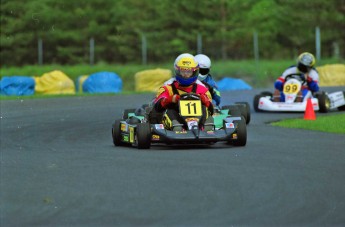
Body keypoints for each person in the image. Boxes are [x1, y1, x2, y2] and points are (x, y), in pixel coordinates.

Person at [153, 54, 214, 131]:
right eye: (183, 71)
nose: (186, 74)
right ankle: (176, 127)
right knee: (170, 110)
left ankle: (206, 127)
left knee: (204, 108)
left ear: (194, 72)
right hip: (177, 118)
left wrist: (205, 100)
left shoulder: (202, 89)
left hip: (199, 120)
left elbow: (212, 110)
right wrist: (170, 99)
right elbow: (157, 106)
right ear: (178, 71)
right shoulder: (168, 88)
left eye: (189, 71)